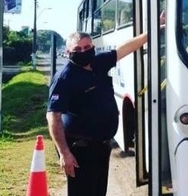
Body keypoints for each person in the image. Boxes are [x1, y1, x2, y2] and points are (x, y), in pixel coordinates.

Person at [46, 31, 149, 196]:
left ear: (93, 47)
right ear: (68, 52)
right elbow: (53, 117)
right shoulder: (65, 78)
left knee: (98, 192)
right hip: (80, 150)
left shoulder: (98, 63)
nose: (83, 52)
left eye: (87, 47)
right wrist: (65, 153)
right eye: (77, 49)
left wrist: (152, 30)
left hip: (101, 146)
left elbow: (124, 49)